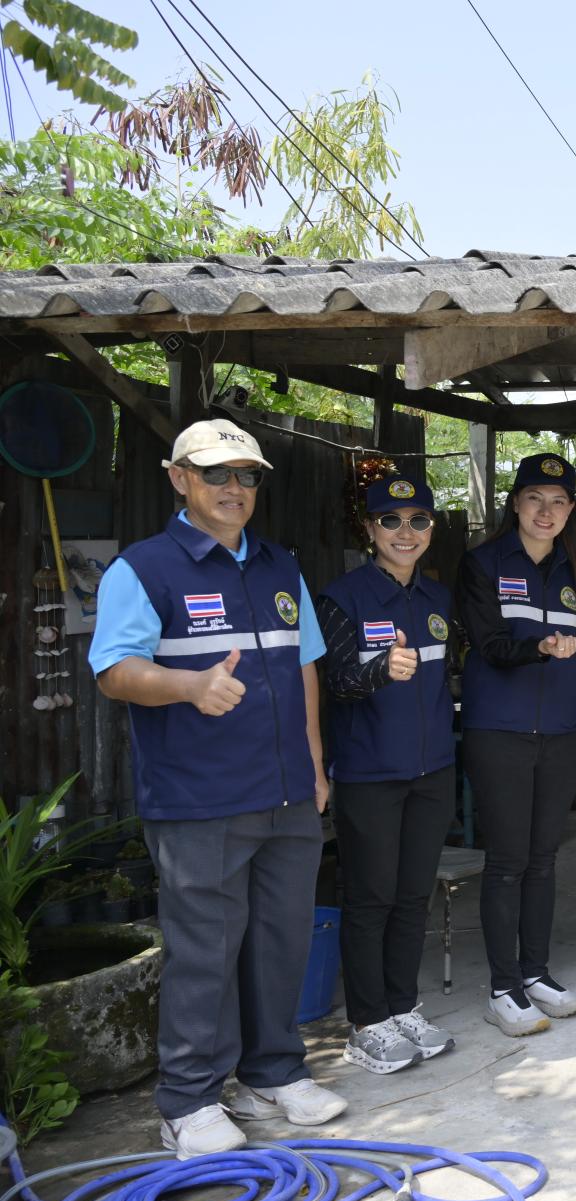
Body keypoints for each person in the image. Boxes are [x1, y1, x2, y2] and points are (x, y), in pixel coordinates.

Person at [90, 419, 347, 1157]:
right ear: (180, 479)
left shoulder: (278, 565)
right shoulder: (142, 570)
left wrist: (315, 763)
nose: (234, 488)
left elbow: (304, 665)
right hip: (198, 798)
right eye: (216, 474)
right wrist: (189, 686)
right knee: (204, 950)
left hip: (287, 793)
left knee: (280, 940)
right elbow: (114, 671)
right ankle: (189, 1101)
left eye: (247, 475)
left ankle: (274, 1073)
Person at [457, 453, 576, 1038]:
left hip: (562, 734)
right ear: (515, 503)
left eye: (559, 502)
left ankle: (535, 973)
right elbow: (489, 644)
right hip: (500, 731)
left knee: (544, 859)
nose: (547, 511)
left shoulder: (574, 573)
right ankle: (502, 988)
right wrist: (538, 647)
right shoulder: (483, 563)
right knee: (508, 861)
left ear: (571, 512)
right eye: (535, 499)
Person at [318, 474, 457, 1075]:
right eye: (391, 521)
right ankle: (366, 1022)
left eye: (418, 520)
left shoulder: (437, 598)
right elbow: (333, 682)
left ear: (431, 528)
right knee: (371, 898)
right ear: (370, 528)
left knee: (412, 896)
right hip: (370, 773)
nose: (406, 532)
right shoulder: (341, 598)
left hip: (432, 771)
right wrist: (380, 670)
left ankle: (403, 1007)